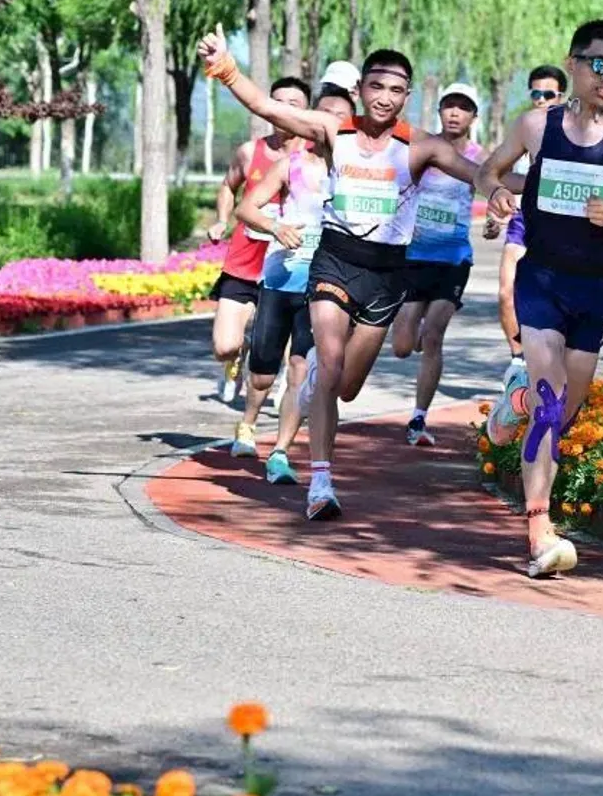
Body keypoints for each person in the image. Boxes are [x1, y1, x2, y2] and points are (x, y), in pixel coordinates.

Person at [199, 30, 494, 520]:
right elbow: (271, 111)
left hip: (386, 274)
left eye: (396, 90)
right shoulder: (333, 131)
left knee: (346, 386)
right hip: (334, 260)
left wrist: (507, 191)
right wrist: (227, 67)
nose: (385, 98)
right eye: (376, 86)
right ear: (361, 90)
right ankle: (321, 483)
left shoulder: (420, 146)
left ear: (407, 95)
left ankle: (319, 381)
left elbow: (478, 174)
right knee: (330, 363)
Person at [477, 20, 603, 578]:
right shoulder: (537, 126)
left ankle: (515, 409)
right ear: (572, 63)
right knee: (552, 400)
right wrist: (494, 193)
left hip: (592, 289)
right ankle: (539, 531)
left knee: (562, 410)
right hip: (540, 279)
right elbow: (489, 170)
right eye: (599, 65)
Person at [232, 85, 356, 482]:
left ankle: (280, 452)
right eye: (325, 115)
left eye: (341, 117)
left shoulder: (356, 172)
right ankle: (248, 423)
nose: (331, 124)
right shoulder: (290, 164)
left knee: (301, 367)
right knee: (264, 372)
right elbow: (245, 207)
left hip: (325, 284)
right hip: (282, 276)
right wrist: (275, 226)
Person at [391, 82, 485, 446]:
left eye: (463, 107)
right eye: (449, 105)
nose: (455, 113)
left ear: (473, 116)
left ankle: (418, 418)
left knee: (433, 335)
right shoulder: (422, 149)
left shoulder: (480, 157)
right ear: (441, 111)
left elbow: (493, 190)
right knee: (402, 346)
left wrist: (493, 218)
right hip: (415, 258)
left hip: (454, 259)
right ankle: (410, 331)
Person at [207, 77, 308, 404]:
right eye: (278, 103)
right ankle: (239, 354)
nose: (284, 111)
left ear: (308, 112)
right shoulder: (250, 152)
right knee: (224, 346)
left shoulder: (314, 160)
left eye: (294, 105)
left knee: (291, 344)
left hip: (290, 265)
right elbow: (228, 186)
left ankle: (285, 386)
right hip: (245, 261)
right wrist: (222, 220)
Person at [485, 65, 567, 379]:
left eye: (549, 94)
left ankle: (553, 362)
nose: (542, 99)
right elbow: (496, 173)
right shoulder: (523, 129)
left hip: (562, 229)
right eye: (536, 93)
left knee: (555, 302)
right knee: (507, 292)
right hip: (523, 221)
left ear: (561, 96)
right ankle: (518, 359)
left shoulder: (575, 131)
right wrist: (496, 207)